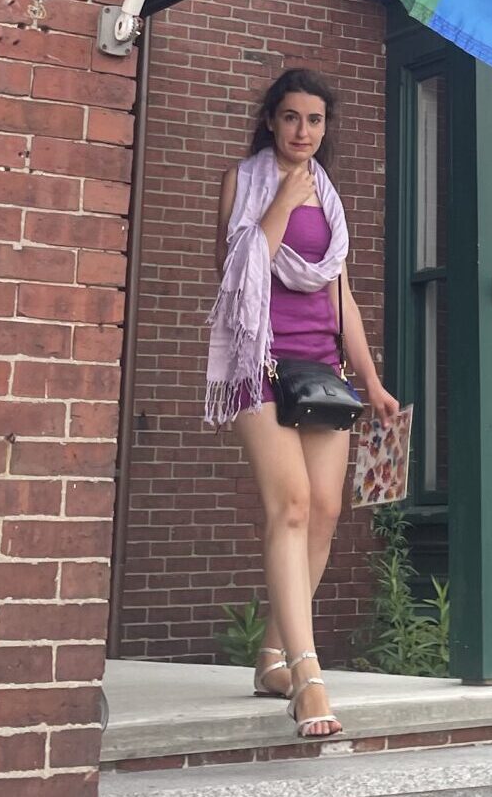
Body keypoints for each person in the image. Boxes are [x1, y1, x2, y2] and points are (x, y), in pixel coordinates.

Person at [203, 68, 398, 741]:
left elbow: (339, 296)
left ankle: (271, 659)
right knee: (287, 506)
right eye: (291, 118)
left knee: (326, 510)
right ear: (271, 120)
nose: (303, 131)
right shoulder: (244, 182)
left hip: (321, 368)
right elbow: (236, 273)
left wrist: (370, 381)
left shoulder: (333, 197)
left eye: (315, 121)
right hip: (256, 363)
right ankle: (308, 676)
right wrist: (282, 202)